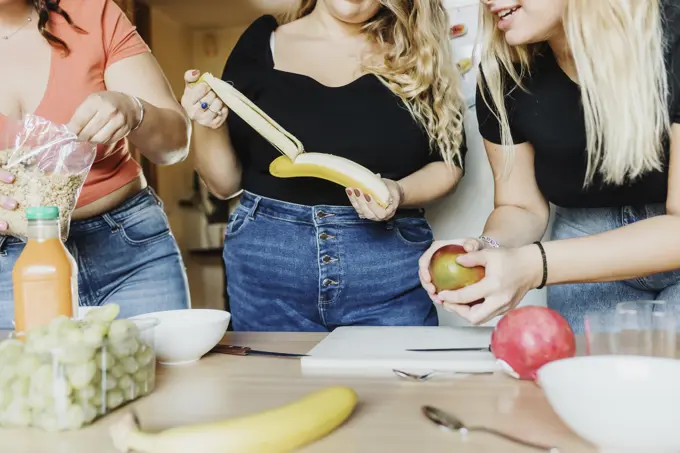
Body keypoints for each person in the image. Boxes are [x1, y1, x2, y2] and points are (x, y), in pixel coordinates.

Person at [182, 0, 468, 331]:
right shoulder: (262, 41)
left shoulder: (416, 50)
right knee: (272, 383)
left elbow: (449, 163)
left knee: (397, 382)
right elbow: (224, 184)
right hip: (268, 266)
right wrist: (206, 123)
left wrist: (398, 193)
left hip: (388, 267)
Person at [418, 0, 680, 333]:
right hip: (579, 248)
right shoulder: (505, 73)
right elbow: (520, 205)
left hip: (607, 248)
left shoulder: (672, 38)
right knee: (586, 383)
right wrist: (487, 247)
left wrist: (533, 265)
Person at [0, 0, 192, 329]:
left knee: (167, 378)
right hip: (11, 265)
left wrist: (135, 110)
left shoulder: (91, 11)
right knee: (31, 379)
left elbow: (174, 146)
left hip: (130, 250)